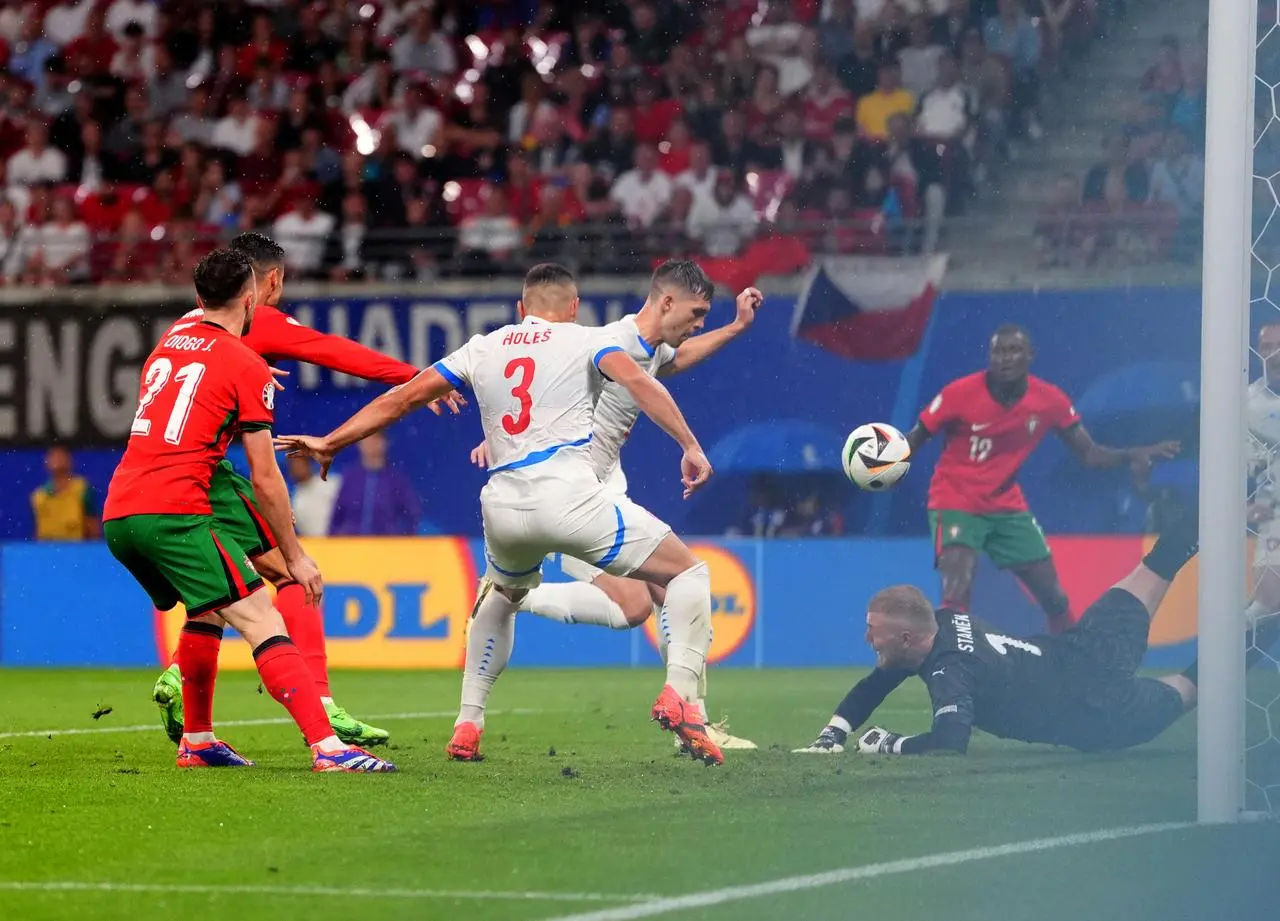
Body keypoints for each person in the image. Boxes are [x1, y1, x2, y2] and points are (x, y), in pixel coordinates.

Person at [278, 263, 726, 765]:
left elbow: (401, 399)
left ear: (520, 309)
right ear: (573, 308)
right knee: (688, 571)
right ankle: (681, 696)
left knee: (500, 599)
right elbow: (642, 384)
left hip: (503, 507)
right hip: (572, 498)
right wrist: (689, 444)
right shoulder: (587, 340)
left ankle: (468, 723)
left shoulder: (483, 346)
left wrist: (332, 441)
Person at [149, 232, 465, 749]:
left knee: (220, 588)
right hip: (207, 477)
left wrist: (246, 367)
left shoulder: (187, 326)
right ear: (268, 281)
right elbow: (335, 351)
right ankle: (320, 702)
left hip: (161, 476)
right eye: (282, 282)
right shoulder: (260, 319)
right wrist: (418, 379)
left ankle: (184, 693)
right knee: (295, 574)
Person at [103, 249, 395, 773]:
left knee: (209, 604)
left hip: (121, 511)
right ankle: (328, 746)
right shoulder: (245, 363)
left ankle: (198, 739)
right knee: (262, 614)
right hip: (175, 511)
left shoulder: (170, 341)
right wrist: (297, 554)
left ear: (198, 297)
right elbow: (265, 476)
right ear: (252, 295)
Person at [469, 264, 763, 752]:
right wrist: (501, 437)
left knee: (636, 607)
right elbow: (544, 387)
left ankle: (519, 598)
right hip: (575, 494)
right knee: (678, 584)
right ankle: (694, 722)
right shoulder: (608, 340)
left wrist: (736, 328)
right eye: (697, 313)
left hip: (604, 487)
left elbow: (675, 359)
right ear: (666, 302)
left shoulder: (647, 347)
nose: (698, 324)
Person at [794, 506, 1202, 755]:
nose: (867, 639)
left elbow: (950, 743)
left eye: (873, 631)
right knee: (1159, 565)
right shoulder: (938, 626)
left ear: (904, 639)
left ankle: (1263, 628)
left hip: (1098, 709)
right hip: (1082, 648)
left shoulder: (950, 670)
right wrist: (834, 733)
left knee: (1189, 688)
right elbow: (876, 684)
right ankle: (1236, 496)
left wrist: (890, 744)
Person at [905, 325, 1179, 633]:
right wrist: (885, 465)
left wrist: (1135, 453)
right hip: (955, 501)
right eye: (998, 351)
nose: (1004, 358)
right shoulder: (959, 393)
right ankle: (952, 666)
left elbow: (1089, 453)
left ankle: (1072, 661)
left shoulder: (1049, 401)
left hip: (1006, 507)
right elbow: (915, 438)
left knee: (1054, 597)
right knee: (957, 588)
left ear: (1030, 356)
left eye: (1013, 350)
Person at [329, 431, 422, 535]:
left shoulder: (397, 479)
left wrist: (400, 541)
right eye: (366, 439)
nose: (371, 443)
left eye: (376, 438)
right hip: (352, 547)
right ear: (358, 444)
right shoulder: (349, 477)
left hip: (386, 547)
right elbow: (337, 517)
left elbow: (412, 516)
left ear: (385, 442)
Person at [31, 445, 101, 541]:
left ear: (69, 460)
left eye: (61, 456)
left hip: (77, 550)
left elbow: (93, 526)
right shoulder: (38, 496)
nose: (57, 460)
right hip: (47, 551)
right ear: (46, 462)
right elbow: (38, 531)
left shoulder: (83, 489)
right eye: (54, 456)